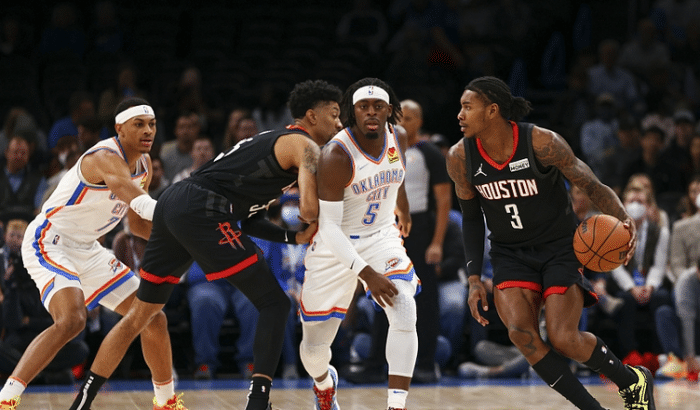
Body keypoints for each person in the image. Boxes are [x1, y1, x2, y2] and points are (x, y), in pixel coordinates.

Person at [69, 79, 343, 410]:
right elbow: (309, 210)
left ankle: (83, 400)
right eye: (334, 115)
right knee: (275, 304)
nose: (339, 124)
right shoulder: (305, 146)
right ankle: (258, 402)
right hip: (205, 208)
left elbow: (250, 219)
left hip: (175, 203)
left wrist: (291, 237)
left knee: (140, 315)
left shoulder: (272, 143)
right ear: (312, 116)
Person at [446, 76, 653, 410]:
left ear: (492, 111)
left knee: (564, 338)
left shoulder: (541, 142)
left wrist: (623, 219)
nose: (460, 114)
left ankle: (633, 381)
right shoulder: (460, 157)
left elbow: (592, 185)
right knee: (521, 334)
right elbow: (470, 218)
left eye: (467, 107)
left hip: (558, 247)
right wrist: (473, 279)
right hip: (510, 253)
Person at [0, 97, 186, 410]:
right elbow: (137, 200)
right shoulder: (104, 157)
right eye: (139, 124)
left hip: (87, 248)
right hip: (50, 241)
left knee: (153, 317)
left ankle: (166, 402)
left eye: (152, 124)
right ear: (120, 129)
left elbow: (137, 223)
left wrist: (180, 242)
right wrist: (183, 222)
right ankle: (7, 397)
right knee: (72, 320)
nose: (148, 131)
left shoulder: (143, 165)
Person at [299, 78, 419, 410]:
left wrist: (403, 206)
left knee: (404, 308)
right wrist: (367, 274)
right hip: (335, 246)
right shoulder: (336, 154)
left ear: (389, 110)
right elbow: (329, 228)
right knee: (313, 350)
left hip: (381, 235)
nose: (371, 112)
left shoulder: (398, 136)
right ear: (352, 112)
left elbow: (396, 173)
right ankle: (324, 384)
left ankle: (396, 405)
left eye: (378, 106)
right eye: (363, 107)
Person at [0, 215, 89, 384]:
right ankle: (43, 376)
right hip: (19, 340)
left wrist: (29, 321)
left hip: (46, 336)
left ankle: (30, 374)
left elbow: (57, 321)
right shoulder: (14, 281)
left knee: (80, 349)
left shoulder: (48, 274)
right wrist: (12, 287)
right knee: (6, 349)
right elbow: (14, 322)